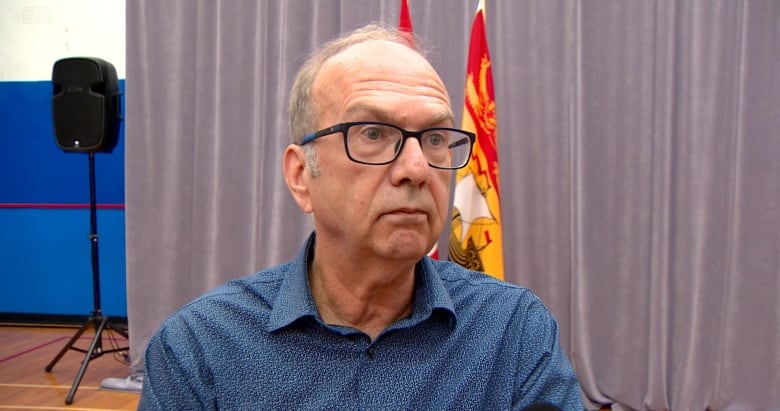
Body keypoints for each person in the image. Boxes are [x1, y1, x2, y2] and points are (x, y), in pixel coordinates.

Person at [138, 23, 584, 410]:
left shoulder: (512, 331)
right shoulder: (201, 349)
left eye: (434, 138)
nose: (416, 169)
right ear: (300, 176)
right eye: (373, 133)